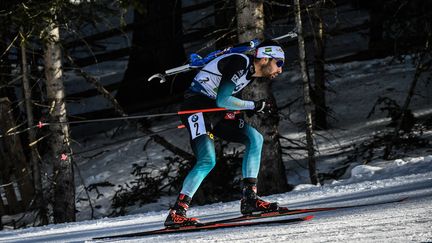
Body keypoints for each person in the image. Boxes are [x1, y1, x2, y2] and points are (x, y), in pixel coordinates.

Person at [164, 40, 287, 227]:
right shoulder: (240, 62)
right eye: (279, 63)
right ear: (264, 58)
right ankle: (177, 213)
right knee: (207, 160)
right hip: (196, 108)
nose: (280, 69)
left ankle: (250, 199)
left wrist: (240, 109)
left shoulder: (248, 73)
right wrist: (253, 105)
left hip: (214, 111)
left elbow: (223, 100)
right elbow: (222, 99)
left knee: (255, 138)